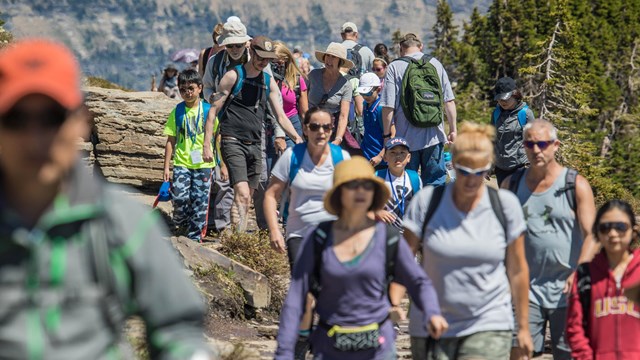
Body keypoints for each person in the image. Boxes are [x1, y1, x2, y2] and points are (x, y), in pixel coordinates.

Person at [0, 38, 215, 359]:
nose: (35, 137)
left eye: (52, 118)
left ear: (80, 121)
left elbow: (178, 328)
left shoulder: (122, 222)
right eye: (17, 119)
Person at [275, 156, 447, 359]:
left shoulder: (387, 238)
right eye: (352, 185)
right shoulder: (319, 238)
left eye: (367, 186)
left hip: (379, 348)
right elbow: (296, 297)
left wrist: (433, 313)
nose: (361, 191)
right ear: (338, 193)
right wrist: (284, 352)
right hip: (329, 347)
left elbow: (418, 282)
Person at [403, 122, 533, 359]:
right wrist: (392, 301)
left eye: (480, 172)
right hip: (431, 323)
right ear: (452, 164)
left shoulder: (505, 205)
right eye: (463, 171)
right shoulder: (426, 202)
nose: (472, 180)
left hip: (488, 322)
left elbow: (518, 269)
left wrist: (523, 327)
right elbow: (404, 261)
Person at [501, 119, 598, 359]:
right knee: (519, 352)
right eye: (530, 144)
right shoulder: (510, 185)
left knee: (568, 354)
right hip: (524, 290)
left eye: (542, 144)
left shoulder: (575, 185)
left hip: (567, 291)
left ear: (556, 145)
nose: (536, 150)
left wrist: (579, 270)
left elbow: (593, 235)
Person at [264, 108, 351, 357]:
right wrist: (274, 230)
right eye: (315, 126)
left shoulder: (340, 157)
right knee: (305, 293)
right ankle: (300, 349)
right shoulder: (292, 156)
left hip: (333, 235)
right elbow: (271, 195)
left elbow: (353, 197)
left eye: (326, 127)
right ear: (305, 128)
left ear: (332, 130)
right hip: (299, 234)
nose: (320, 132)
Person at [202, 36, 302, 233]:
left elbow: (280, 115)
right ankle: (238, 241)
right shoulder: (233, 76)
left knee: (246, 197)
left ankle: (234, 237)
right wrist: (207, 144)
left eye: (268, 59)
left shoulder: (267, 81)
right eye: (261, 57)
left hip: (256, 143)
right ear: (251, 52)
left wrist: (298, 138)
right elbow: (213, 111)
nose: (264, 62)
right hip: (232, 140)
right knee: (243, 192)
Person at [566, 200, 640, 360]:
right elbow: (575, 327)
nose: (613, 233)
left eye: (620, 227)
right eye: (605, 227)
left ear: (633, 231)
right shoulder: (586, 274)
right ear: (597, 233)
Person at [380, 33, 457, 187]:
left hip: (406, 141)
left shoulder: (395, 66)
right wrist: (453, 129)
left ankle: (412, 211)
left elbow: (388, 106)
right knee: (436, 184)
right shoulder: (435, 63)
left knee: (408, 183)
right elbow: (449, 101)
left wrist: (387, 135)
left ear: (401, 49)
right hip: (434, 136)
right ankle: (433, 211)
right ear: (420, 47)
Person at [162, 69, 217, 242]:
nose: (187, 92)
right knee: (179, 197)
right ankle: (181, 223)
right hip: (182, 163)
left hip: (204, 165)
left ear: (200, 88)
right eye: (183, 89)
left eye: (191, 88)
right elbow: (170, 140)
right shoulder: (177, 111)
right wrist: (166, 167)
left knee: (200, 202)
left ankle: (194, 239)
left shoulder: (208, 110)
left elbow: (218, 136)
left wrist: (222, 163)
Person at [308, 43, 355, 153]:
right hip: (311, 125)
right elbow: (303, 99)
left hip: (331, 129)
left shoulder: (346, 85)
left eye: (334, 57)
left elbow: (344, 115)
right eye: (328, 56)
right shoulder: (313, 75)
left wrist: (338, 138)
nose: (329, 60)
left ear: (340, 61)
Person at [492, 77, 535, 185]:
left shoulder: (525, 114)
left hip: (521, 166)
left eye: (505, 98)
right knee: (504, 200)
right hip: (500, 168)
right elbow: (492, 139)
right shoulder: (496, 114)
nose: (502, 101)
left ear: (515, 95)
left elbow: (534, 140)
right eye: (499, 98)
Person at [375, 137, 421, 231]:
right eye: (393, 152)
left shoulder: (414, 178)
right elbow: (366, 205)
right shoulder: (377, 177)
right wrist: (377, 211)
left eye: (402, 153)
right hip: (383, 232)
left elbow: (420, 206)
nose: (398, 156)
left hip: (408, 232)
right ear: (385, 157)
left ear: (408, 158)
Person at [272, 41, 308, 149]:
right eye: (274, 62)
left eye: (280, 62)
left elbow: (304, 111)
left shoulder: (296, 79)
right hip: (271, 125)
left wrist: (308, 132)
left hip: (292, 123)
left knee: (293, 162)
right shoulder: (265, 78)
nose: (277, 66)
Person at [357, 72, 388, 167]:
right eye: (362, 93)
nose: (365, 96)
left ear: (378, 89)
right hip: (366, 157)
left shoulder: (382, 109)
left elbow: (391, 135)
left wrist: (380, 156)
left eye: (368, 93)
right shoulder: (365, 105)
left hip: (381, 161)